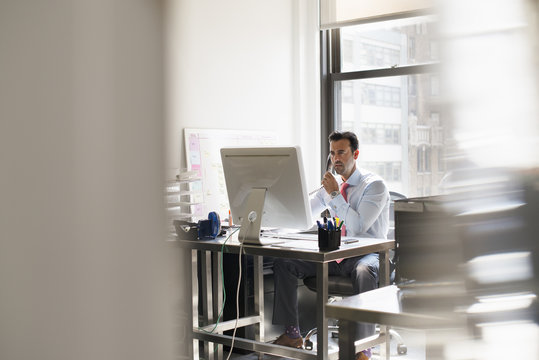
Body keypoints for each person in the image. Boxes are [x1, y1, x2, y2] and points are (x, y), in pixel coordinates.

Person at [272, 131, 390, 360]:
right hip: (336, 256)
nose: (336, 158)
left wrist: (335, 194)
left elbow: (358, 227)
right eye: (333, 153)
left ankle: (363, 348)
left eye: (342, 152)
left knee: (364, 271)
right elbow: (303, 216)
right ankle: (293, 334)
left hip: (365, 255)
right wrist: (274, 222)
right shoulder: (329, 187)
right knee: (284, 262)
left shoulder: (374, 186)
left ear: (355, 154)